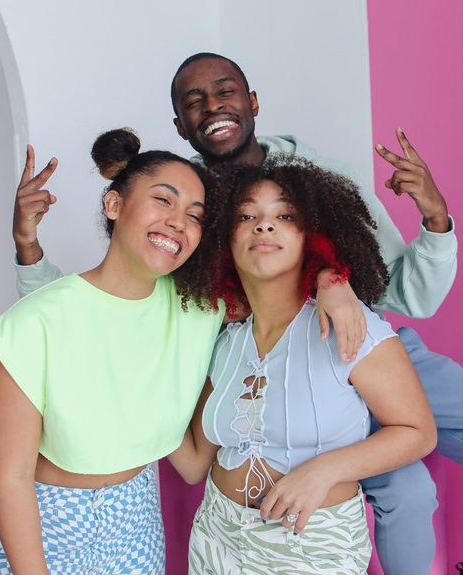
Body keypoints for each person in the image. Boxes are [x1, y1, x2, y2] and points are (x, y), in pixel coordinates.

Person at [13, 53, 463, 575]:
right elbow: (118, 292)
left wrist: (424, 226)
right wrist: (32, 256)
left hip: (365, 346)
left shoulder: (323, 177)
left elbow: (410, 295)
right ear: (180, 127)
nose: (212, 107)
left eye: (225, 91)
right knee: (408, 492)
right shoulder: (189, 202)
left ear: (253, 102)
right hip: (268, 366)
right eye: (194, 102)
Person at [0, 129, 226, 574]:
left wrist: (332, 285)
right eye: (163, 200)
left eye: (195, 214)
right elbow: (10, 480)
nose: (178, 222)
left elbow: (191, 463)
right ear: (114, 205)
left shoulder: (198, 310)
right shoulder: (34, 322)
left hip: (137, 520)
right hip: (47, 521)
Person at [173, 159, 436, 574]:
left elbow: (418, 432)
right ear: (225, 238)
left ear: (313, 237)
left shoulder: (349, 325)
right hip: (215, 538)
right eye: (246, 215)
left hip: (311, 545)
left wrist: (324, 471)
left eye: (285, 215)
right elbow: (192, 466)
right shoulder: (225, 343)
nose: (263, 225)